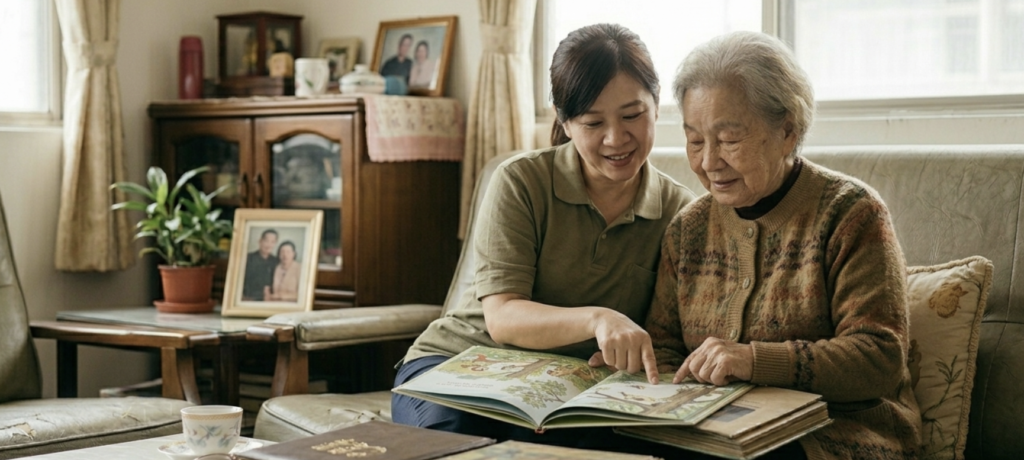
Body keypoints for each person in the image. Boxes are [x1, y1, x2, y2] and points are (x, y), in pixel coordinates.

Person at [392, 24, 695, 454]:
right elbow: (502, 317)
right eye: (593, 122)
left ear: (656, 103)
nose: (616, 138)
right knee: (458, 445)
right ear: (564, 121)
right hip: (456, 363)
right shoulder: (521, 181)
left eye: (632, 115)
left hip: (567, 387)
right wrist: (598, 319)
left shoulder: (681, 211)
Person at [645, 31, 922, 460]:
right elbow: (663, 348)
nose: (708, 161)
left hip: (836, 433)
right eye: (695, 140)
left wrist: (754, 360)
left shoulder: (850, 213)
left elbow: (879, 357)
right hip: (714, 432)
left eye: (729, 139)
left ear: (787, 130)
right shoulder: (688, 229)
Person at [242, 229, 278, 301]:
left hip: (269, 300)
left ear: (275, 244)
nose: (269, 245)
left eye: (272, 242)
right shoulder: (248, 258)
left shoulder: (276, 261)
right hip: (249, 299)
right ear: (260, 241)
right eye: (266, 241)